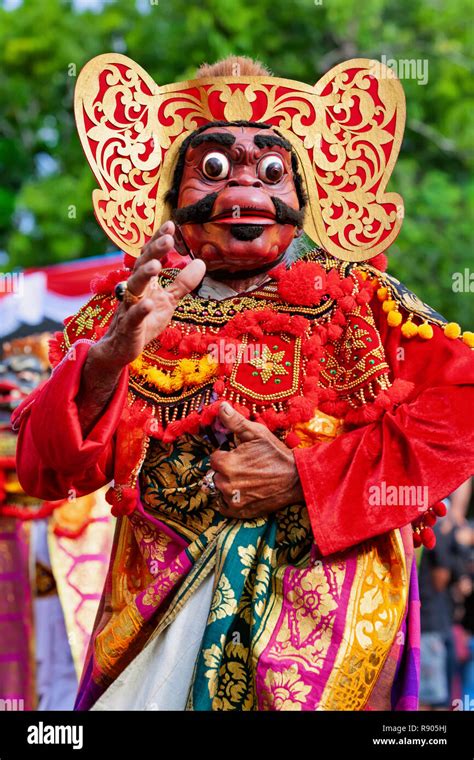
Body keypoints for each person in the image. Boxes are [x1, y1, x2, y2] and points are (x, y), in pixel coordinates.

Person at [13, 55, 474, 711]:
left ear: (305, 197)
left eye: (273, 172)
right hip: (152, 637)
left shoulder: (362, 303)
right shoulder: (128, 307)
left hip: (325, 647)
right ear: (171, 197)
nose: (244, 193)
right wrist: (111, 355)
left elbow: (463, 411)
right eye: (214, 169)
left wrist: (306, 480)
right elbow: (42, 468)